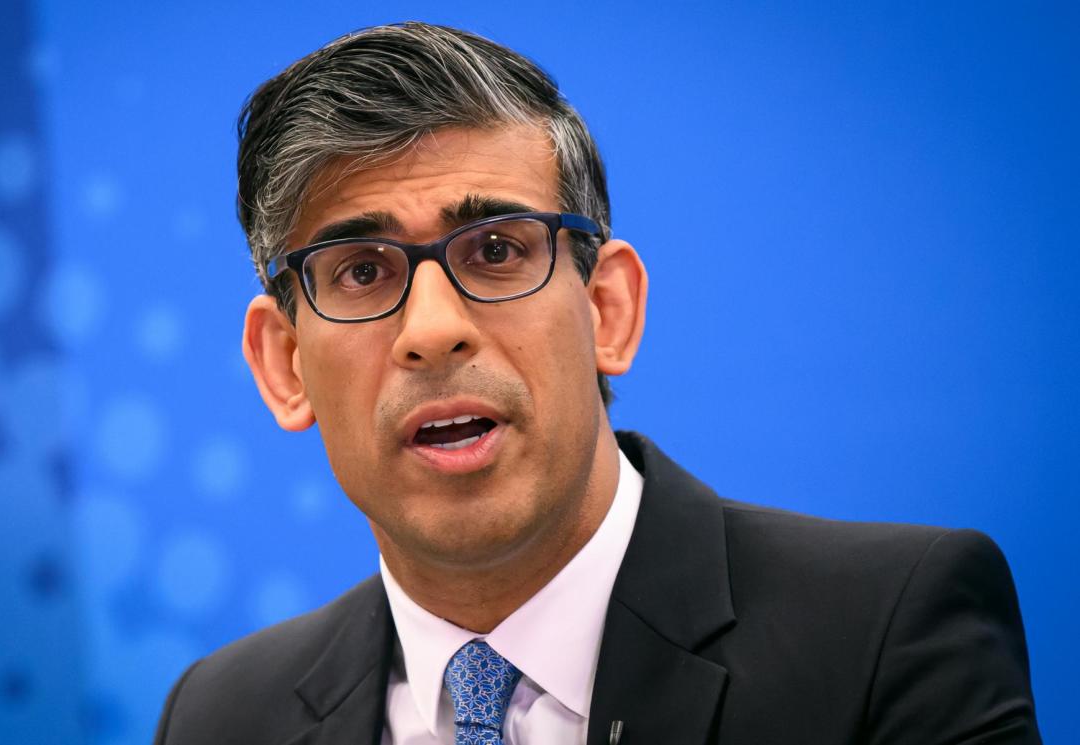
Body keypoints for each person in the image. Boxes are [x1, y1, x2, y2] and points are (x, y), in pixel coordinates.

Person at [154, 22, 1039, 745]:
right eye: (359, 271)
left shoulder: (886, 635)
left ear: (607, 310)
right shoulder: (221, 715)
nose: (431, 330)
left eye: (496, 251)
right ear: (284, 364)